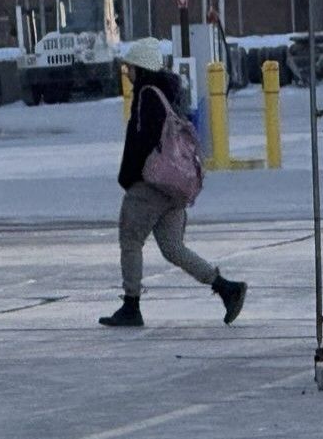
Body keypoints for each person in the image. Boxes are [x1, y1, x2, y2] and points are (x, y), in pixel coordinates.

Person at [100, 37, 247, 328]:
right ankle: (226, 288)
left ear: (140, 67)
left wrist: (128, 177)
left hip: (150, 185)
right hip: (174, 187)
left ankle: (131, 305)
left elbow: (143, 143)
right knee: (173, 248)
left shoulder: (147, 96)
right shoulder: (168, 94)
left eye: (129, 67)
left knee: (130, 240)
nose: (127, 72)